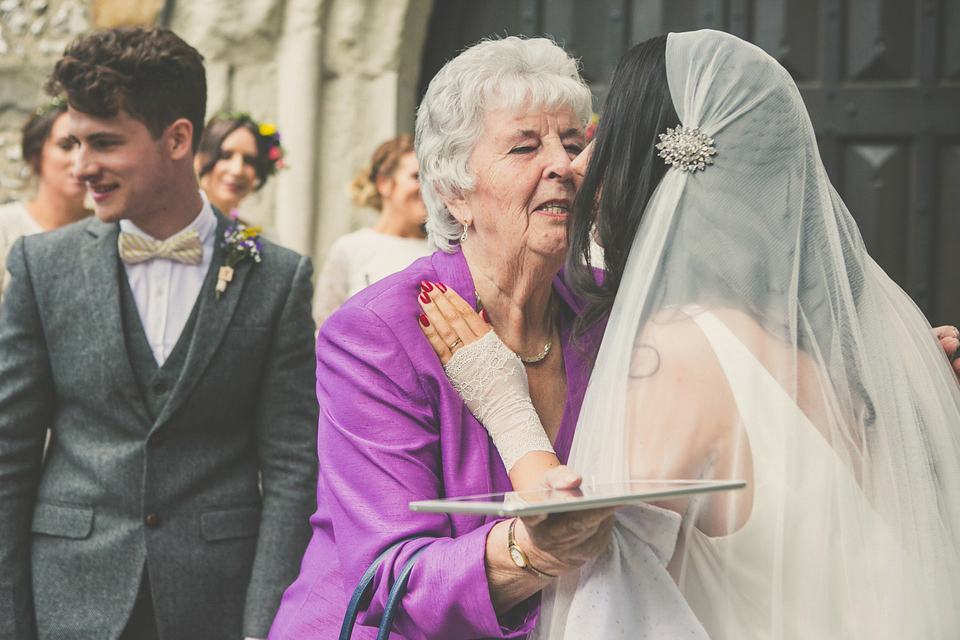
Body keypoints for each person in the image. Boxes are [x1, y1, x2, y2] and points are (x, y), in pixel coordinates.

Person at [418, 30, 960, 639]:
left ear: (651, 157)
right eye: (527, 146)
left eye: (595, 136)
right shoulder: (859, 347)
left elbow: (601, 577)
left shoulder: (683, 348)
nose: (572, 165)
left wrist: (504, 404)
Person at [269, 36, 707, 640]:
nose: (564, 165)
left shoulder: (615, 309)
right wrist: (527, 551)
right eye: (526, 146)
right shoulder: (378, 332)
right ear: (454, 192)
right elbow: (387, 579)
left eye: (574, 144)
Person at [0, 26, 318, 640]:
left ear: (176, 138)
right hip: (69, 601)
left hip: (216, 607)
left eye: (105, 143)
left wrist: (265, 629)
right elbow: (8, 460)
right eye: (73, 142)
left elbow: (291, 474)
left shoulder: (277, 277)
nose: (81, 166)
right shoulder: (42, 267)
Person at [311, 134, 433, 326]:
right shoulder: (350, 249)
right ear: (384, 183)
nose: (429, 187)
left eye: (434, 178)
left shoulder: (442, 251)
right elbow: (323, 325)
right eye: (417, 177)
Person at [0, 97, 92, 303]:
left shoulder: (109, 228)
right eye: (65, 146)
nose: (79, 159)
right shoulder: (4, 227)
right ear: (35, 154)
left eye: (89, 146)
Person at [194, 112, 284, 222]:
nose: (237, 170)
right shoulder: (175, 229)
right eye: (225, 156)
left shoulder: (252, 236)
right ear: (198, 158)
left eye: (250, 161)